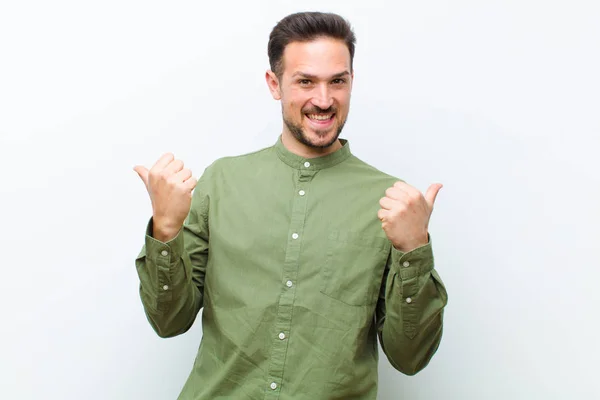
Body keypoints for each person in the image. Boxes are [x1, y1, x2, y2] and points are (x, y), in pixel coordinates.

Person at [134, 11, 448, 400]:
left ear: (352, 82)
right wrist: (166, 229)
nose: (323, 99)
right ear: (274, 83)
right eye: (305, 81)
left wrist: (414, 250)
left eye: (338, 81)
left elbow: (410, 357)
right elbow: (169, 321)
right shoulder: (221, 182)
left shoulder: (391, 204)